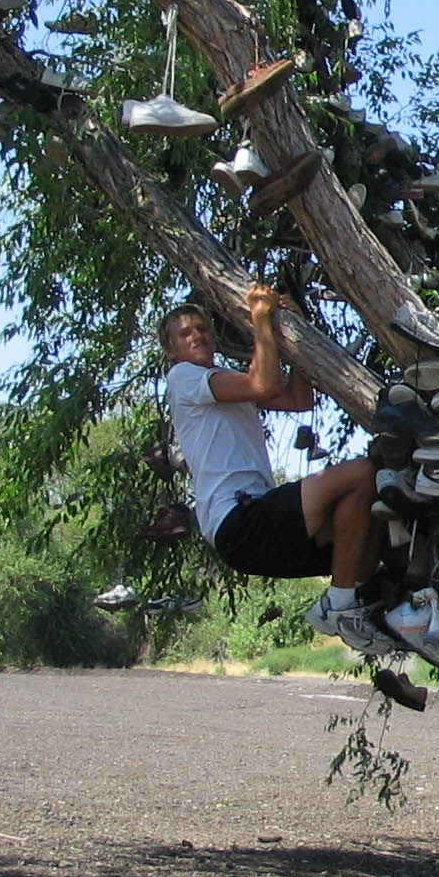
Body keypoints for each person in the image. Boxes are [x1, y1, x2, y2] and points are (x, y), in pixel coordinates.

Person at [159, 285, 406, 686]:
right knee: (362, 472)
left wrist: (297, 334)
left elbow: (297, 399)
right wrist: (261, 318)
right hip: (238, 519)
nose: (198, 336)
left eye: (202, 329)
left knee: (373, 511)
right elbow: (264, 386)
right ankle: (340, 605)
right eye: (185, 333)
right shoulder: (184, 377)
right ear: (171, 351)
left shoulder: (222, 384)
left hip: (256, 528)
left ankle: (354, 604)